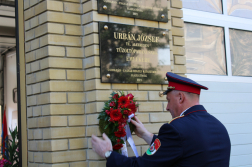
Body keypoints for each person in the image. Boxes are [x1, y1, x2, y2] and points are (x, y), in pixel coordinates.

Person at [91, 72, 231, 167]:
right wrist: (147, 135)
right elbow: (181, 150)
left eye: (168, 101)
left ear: (181, 98)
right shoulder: (219, 126)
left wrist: (108, 153)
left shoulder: (176, 129)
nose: (167, 107)